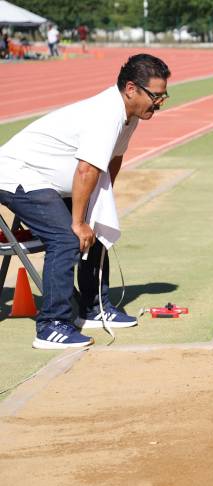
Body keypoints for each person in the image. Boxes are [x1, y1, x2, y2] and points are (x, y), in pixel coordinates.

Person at [0, 54, 171, 349]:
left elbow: (113, 160)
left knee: (96, 226)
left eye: (164, 95)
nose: (161, 102)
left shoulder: (129, 116)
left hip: (49, 182)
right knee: (67, 238)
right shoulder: (107, 114)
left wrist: (98, 206)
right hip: (20, 175)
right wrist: (78, 223)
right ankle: (51, 325)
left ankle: (92, 309)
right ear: (131, 89)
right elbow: (86, 169)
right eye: (156, 95)